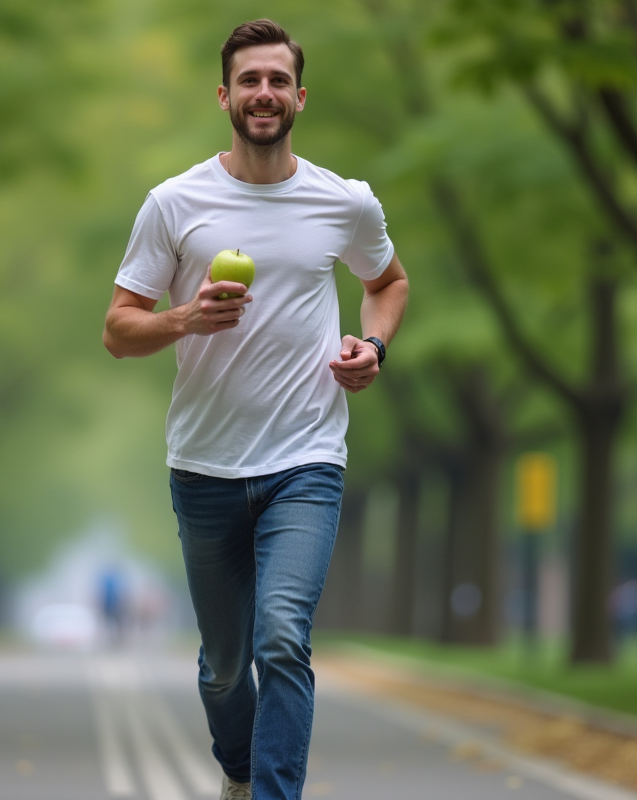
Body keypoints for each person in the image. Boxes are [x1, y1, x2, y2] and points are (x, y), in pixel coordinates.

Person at [103, 19, 409, 800]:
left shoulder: (345, 202)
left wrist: (371, 351)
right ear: (225, 96)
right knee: (224, 666)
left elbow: (388, 283)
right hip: (204, 464)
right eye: (250, 81)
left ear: (299, 96)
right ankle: (238, 771)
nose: (264, 94)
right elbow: (117, 329)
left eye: (277, 80)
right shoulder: (175, 204)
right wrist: (183, 319)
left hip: (306, 461)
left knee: (281, 639)